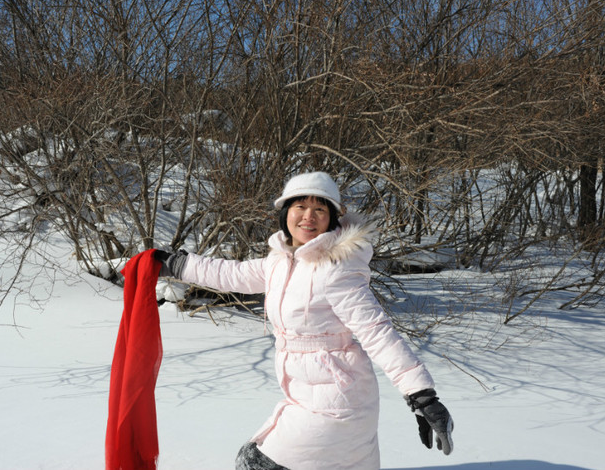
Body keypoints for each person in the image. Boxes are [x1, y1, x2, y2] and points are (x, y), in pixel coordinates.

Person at [155, 171, 453, 470]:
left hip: (339, 402)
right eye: (300, 207)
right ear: (286, 212)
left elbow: (376, 332)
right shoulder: (281, 260)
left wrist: (423, 396)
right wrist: (176, 264)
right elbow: (231, 274)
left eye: (320, 209)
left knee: (254, 463)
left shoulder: (338, 268)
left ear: (332, 219)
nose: (308, 217)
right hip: (304, 396)